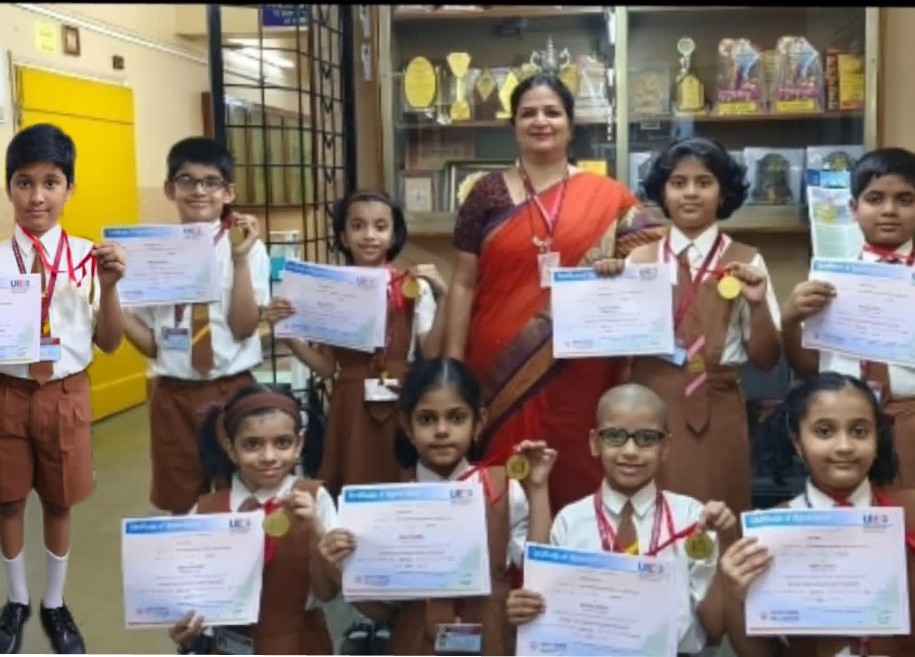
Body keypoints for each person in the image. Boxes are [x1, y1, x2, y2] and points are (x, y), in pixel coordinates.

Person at [444, 73, 664, 514]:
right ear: (513, 125)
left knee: (575, 467)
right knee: (500, 480)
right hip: (495, 366)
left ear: (570, 124)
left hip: (579, 367)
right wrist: (452, 368)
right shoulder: (485, 194)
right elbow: (463, 282)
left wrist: (620, 268)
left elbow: (651, 257)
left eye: (552, 112)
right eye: (528, 113)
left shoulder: (609, 195)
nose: (540, 121)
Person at [317, 357, 556, 655]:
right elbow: (380, 611)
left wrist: (537, 489)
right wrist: (338, 566)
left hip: (491, 638)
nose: (442, 431)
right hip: (414, 642)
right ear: (406, 424)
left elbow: (538, 572)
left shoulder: (502, 490)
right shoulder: (388, 508)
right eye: (427, 419)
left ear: (478, 422)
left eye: (456, 418)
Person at [0, 123, 127, 653]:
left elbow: (112, 343)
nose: (37, 196)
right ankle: (17, 599)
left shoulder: (90, 257)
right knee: (6, 502)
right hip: (7, 393)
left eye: (51, 182)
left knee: (60, 501)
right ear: (9, 188)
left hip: (66, 394)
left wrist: (114, 287)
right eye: (24, 183)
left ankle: (54, 602)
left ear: (69, 189)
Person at [615, 137, 782, 518]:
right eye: (678, 183)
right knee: (650, 518)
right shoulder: (638, 260)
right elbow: (612, 340)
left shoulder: (746, 260)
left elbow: (767, 360)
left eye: (704, 183)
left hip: (718, 407)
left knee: (719, 514)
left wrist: (756, 306)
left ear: (723, 193)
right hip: (649, 408)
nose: (690, 193)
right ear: (662, 191)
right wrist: (604, 283)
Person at [505, 383, 736, 655]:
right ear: (594, 443)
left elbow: (715, 626)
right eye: (615, 436)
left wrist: (725, 539)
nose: (630, 451)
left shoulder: (691, 517)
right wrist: (524, 607)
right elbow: (544, 604)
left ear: (665, 447)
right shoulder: (572, 520)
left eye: (647, 438)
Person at [121, 137, 271, 515]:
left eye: (211, 181)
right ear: (170, 189)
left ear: (229, 191)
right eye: (187, 180)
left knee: (240, 495)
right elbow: (152, 345)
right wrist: (107, 298)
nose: (199, 190)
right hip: (174, 394)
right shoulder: (150, 254)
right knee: (182, 501)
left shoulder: (249, 248)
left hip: (233, 389)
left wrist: (239, 260)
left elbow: (242, 327)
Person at [266, 190, 448, 496]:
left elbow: (429, 351)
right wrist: (287, 333)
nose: (369, 235)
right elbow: (325, 367)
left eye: (380, 226)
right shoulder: (330, 288)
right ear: (343, 235)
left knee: (400, 479)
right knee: (353, 480)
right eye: (358, 226)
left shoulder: (413, 286)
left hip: (401, 397)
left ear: (393, 235)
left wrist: (443, 297)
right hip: (350, 404)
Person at [720, 372, 915, 656]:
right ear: (797, 442)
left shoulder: (909, 513)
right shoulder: (771, 534)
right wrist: (737, 598)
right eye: (824, 432)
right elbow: (760, 653)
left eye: (859, 431)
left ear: (877, 437)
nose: (844, 446)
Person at [167, 384, 337, 655]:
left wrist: (316, 530)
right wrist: (184, 629)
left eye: (282, 443)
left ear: (299, 445)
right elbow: (187, 595)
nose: (268, 457)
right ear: (231, 448)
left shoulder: (315, 499)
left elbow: (327, 592)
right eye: (252, 445)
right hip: (228, 646)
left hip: (300, 644)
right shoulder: (205, 512)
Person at [781, 147, 915, 486]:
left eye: (904, 199)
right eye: (874, 199)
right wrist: (790, 320)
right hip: (842, 428)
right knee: (849, 528)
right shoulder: (828, 284)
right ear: (854, 208)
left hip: (910, 417)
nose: (889, 210)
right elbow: (809, 369)